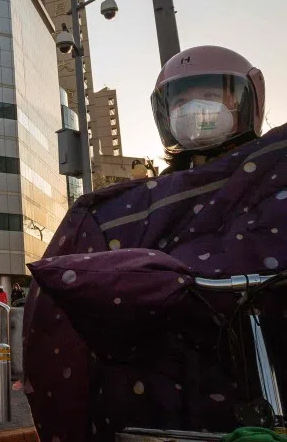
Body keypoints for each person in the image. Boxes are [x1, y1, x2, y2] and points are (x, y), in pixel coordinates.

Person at [23, 45, 287, 441]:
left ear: (247, 98)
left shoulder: (272, 175)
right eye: (179, 101)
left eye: (213, 96)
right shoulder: (128, 205)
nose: (194, 110)